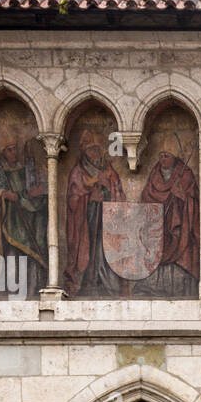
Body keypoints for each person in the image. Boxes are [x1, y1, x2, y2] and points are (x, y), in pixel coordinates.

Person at [0, 125, 48, 296]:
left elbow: (32, 193)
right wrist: (2, 194)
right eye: (10, 150)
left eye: (15, 149)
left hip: (30, 223)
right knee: (12, 259)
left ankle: (33, 291)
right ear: (3, 152)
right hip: (8, 226)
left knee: (31, 261)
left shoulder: (25, 169)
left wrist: (36, 194)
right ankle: (11, 292)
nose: (14, 153)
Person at [65, 126, 126, 296]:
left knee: (104, 251)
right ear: (84, 151)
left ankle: (106, 284)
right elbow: (72, 201)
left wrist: (107, 191)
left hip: (106, 223)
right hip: (86, 223)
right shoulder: (78, 172)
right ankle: (86, 283)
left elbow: (118, 191)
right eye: (91, 149)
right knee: (89, 251)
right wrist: (90, 199)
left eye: (97, 149)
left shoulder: (107, 169)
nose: (95, 153)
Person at [139, 130, 199, 297]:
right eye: (161, 155)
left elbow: (193, 198)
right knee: (156, 251)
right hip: (158, 223)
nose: (163, 159)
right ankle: (154, 287)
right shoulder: (155, 173)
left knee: (178, 250)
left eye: (167, 156)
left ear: (174, 157)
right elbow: (146, 194)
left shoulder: (185, 174)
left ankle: (178, 287)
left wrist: (182, 196)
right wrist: (157, 204)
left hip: (178, 223)